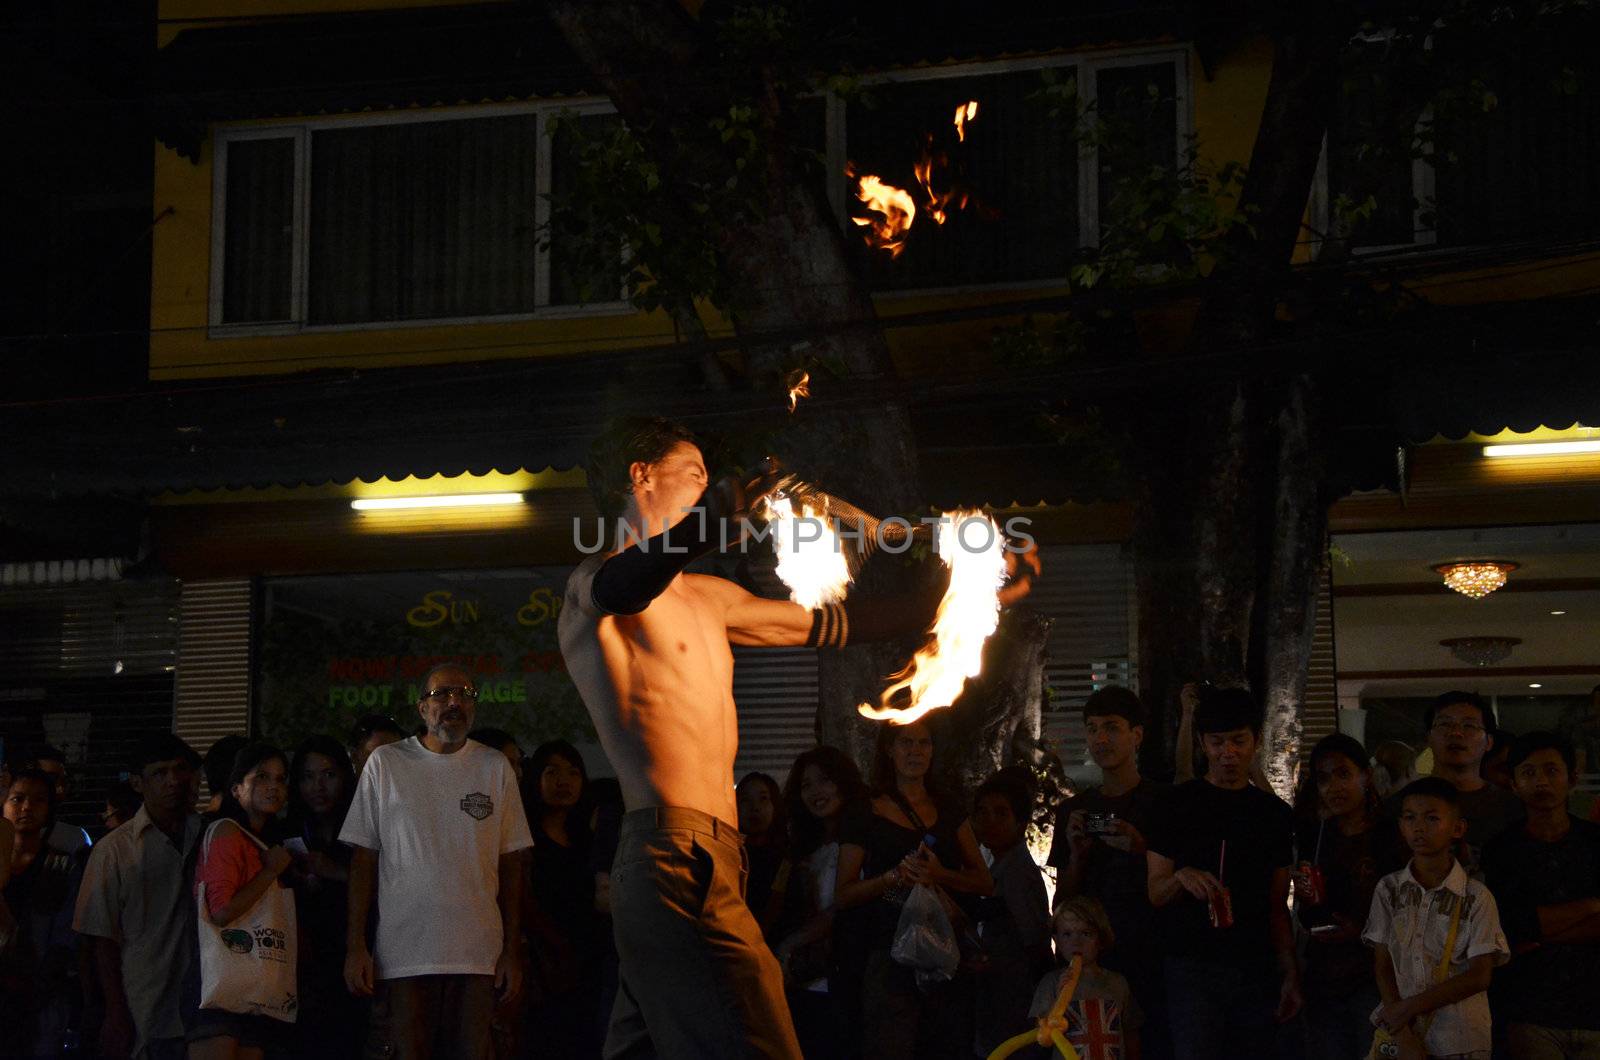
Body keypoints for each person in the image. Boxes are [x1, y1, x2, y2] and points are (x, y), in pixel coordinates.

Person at [557, 416, 1039, 1059]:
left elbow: (834, 624)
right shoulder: (591, 587)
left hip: (717, 855)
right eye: (695, 474)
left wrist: (967, 597)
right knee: (758, 1041)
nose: (708, 486)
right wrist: (709, 523)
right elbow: (623, 585)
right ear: (641, 476)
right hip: (671, 856)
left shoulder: (711, 599)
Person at [340, 663, 532, 1060]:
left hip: (480, 954)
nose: (454, 702)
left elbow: (513, 862)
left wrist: (512, 949)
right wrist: (356, 945)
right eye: (441, 694)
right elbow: (363, 858)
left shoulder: (494, 766)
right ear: (421, 707)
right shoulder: (386, 764)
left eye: (464, 694)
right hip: (404, 954)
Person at [1146, 688, 1299, 1060]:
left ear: (1256, 742)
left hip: (1254, 964)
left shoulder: (1274, 815)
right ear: (1201, 743)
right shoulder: (1175, 805)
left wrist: (1289, 971)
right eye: (1217, 743)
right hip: (1191, 965)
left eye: (1237, 741)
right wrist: (1181, 877)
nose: (1227, 753)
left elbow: (1277, 905)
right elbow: (1155, 891)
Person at [835, 720, 995, 1059]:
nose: (915, 751)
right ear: (889, 751)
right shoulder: (865, 811)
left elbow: (983, 881)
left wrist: (939, 874)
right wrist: (893, 877)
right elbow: (844, 893)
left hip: (946, 950)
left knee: (948, 1045)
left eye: (924, 743)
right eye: (906, 743)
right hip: (889, 948)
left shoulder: (948, 808)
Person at [1048, 686, 1170, 1059]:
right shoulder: (1075, 810)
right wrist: (1077, 855)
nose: (1100, 738)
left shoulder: (1163, 803)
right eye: (1092, 728)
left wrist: (1140, 848)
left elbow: (1176, 882)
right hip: (1093, 958)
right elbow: (1064, 900)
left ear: (1136, 735)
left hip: (1153, 953)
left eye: (1112, 727)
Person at [74, 733, 203, 1060]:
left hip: (201, 1007)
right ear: (137, 783)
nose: (173, 780)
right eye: (160, 773)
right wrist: (114, 1012)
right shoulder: (113, 850)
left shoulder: (206, 833)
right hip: (144, 1005)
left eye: (179, 769)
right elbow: (100, 938)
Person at [1364, 777, 1510, 1060]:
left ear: (1457, 828)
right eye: (1410, 818)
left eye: (1432, 818)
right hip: (1403, 1035)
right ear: (1400, 826)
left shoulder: (1476, 896)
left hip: (1459, 1038)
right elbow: (1383, 965)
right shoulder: (1389, 890)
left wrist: (1406, 1009)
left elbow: (1480, 976)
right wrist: (1403, 1034)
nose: (1419, 827)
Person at [1481, 732, 1600, 1059]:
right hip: (1529, 1008)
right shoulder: (1502, 849)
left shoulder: (1595, 842)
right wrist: (1590, 905)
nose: (1541, 781)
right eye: (1529, 772)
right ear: (1514, 783)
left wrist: (1542, 931)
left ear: (1571, 779)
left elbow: (1527, 927)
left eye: (1551, 770)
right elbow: (1509, 926)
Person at [1293, 733, 1407, 1060]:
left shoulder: (1391, 835)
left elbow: (1407, 909)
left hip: (1378, 976)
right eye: (1324, 779)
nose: (1334, 787)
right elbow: (1310, 910)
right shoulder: (1317, 836)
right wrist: (1308, 899)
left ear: (1365, 775)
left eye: (1343, 774)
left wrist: (1360, 932)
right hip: (1324, 975)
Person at [188, 741, 296, 1058]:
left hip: (252, 987)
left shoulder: (268, 844)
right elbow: (220, 911)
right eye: (261, 777)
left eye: (280, 779)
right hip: (220, 987)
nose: (273, 787)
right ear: (236, 788)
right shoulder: (226, 832)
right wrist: (270, 872)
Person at [773, 745, 869, 1059]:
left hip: (851, 978)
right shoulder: (802, 848)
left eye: (825, 780)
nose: (816, 792)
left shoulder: (862, 840)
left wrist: (791, 943)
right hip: (806, 982)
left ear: (843, 782)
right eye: (806, 785)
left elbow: (845, 905)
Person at [285, 735, 364, 1060]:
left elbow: (390, 887)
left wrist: (337, 872)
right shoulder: (286, 829)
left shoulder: (364, 829)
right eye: (307, 776)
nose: (318, 786)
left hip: (357, 957)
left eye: (329, 775)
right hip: (303, 966)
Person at [523, 739, 602, 1059]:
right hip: (543, 961)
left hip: (588, 959)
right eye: (552, 772)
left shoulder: (590, 840)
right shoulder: (525, 839)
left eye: (573, 773)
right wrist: (554, 944)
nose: (563, 782)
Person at [1390, 691, 1523, 878]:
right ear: (1428, 736)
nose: (1456, 733)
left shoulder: (1512, 808)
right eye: (1445, 724)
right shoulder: (1403, 804)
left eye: (1469, 725)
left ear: (1489, 742)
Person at [2, 767, 85, 1057]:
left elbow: (67, 934)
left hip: (39, 997)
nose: (26, 807)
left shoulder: (62, 867)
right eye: (17, 798)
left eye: (38, 800)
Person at [970, 768, 1051, 1058]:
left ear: (1021, 823)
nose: (988, 821)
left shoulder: (1017, 872)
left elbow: (1033, 939)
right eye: (982, 812)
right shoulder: (995, 866)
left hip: (1015, 997)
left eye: (1001, 814)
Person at [1027, 896, 1142, 1060]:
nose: (1076, 941)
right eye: (1067, 934)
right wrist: (1058, 1000)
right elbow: (1040, 1037)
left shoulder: (1117, 983)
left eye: (1086, 933)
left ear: (1100, 939)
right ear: (1057, 941)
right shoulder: (1050, 983)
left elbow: (1131, 1032)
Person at [737, 771, 789, 934]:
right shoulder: (729, 857)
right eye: (745, 800)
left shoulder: (788, 858)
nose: (755, 808)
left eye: (764, 798)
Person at [27, 745, 92, 856]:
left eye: (63, 781)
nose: (60, 789)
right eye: (51, 779)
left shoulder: (74, 838)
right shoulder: (8, 833)